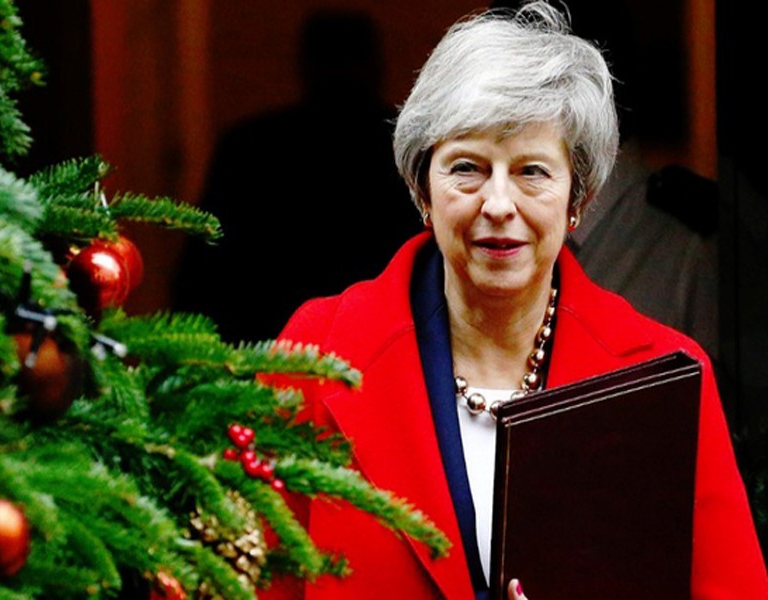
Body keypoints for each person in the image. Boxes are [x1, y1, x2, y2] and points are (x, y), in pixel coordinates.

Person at [266, 2, 767, 599]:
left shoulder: (662, 378)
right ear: (422, 188)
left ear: (576, 197)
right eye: (468, 168)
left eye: (532, 171)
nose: (498, 203)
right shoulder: (315, 356)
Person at [174, 9, 419, 344]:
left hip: (264, 351)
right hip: (386, 347)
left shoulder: (250, 146)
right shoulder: (410, 149)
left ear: (305, 65)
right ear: (377, 65)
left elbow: (200, 282)